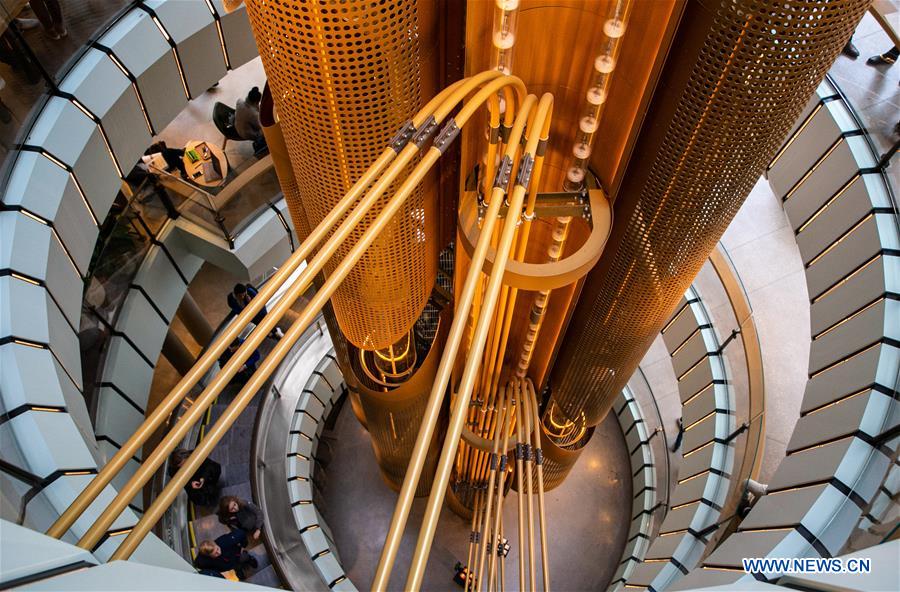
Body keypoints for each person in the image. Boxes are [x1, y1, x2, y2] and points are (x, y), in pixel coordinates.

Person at [234, 86, 267, 153]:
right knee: (266, 129)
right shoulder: (253, 114)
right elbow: (260, 126)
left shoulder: (239, 101)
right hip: (247, 134)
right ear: (256, 102)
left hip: (236, 125)